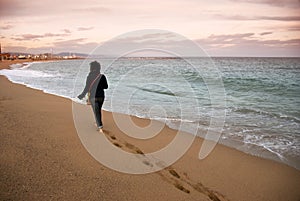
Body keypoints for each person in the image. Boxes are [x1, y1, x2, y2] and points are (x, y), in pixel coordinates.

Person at [77, 61, 108, 132]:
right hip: (101, 97)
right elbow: (106, 87)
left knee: (96, 111)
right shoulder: (102, 76)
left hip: (93, 97)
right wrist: (100, 85)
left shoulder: (89, 76)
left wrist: (82, 95)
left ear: (91, 68)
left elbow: (87, 87)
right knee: (98, 110)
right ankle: (98, 122)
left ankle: (100, 126)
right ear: (99, 68)